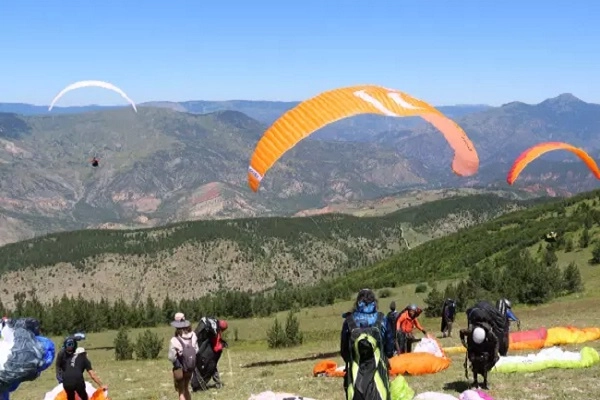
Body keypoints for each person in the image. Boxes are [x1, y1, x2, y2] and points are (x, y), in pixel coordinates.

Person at [340, 288, 394, 400]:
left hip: (356, 373)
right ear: (374, 301)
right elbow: (389, 349)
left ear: (357, 302)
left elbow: (344, 350)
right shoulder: (382, 319)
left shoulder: (349, 321)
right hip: (378, 371)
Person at [460, 303, 502, 390]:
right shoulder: (470, 330)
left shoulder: (488, 332)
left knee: (486, 362)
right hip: (474, 348)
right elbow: (461, 332)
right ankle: (476, 381)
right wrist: (464, 343)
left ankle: (484, 381)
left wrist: (495, 353)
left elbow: (496, 341)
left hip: (484, 348)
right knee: (474, 361)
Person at [168, 312, 199, 400]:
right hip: (190, 366)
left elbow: (171, 357)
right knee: (186, 388)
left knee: (181, 392)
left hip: (180, 368)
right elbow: (197, 350)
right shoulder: (193, 335)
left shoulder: (174, 340)